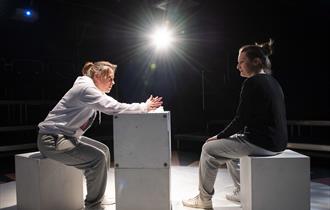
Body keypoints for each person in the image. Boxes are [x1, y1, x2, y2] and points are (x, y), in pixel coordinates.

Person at [37, 61, 163, 210]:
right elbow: (113, 107)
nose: (113, 82)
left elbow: (112, 105)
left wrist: (143, 106)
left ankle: (98, 195)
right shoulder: (85, 89)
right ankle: (93, 206)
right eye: (109, 78)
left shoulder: (89, 88)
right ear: (97, 76)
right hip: (52, 139)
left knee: (104, 150)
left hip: (65, 136)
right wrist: (144, 107)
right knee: (97, 160)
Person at [182, 39, 287, 209]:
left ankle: (204, 199)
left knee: (208, 149)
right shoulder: (273, 82)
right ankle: (242, 192)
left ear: (256, 62)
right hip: (278, 142)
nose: (238, 67)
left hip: (262, 143)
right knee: (231, 147)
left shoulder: (252, 83)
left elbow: (241, 119)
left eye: (242, 62)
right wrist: (228, 136)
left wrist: (219, 136)